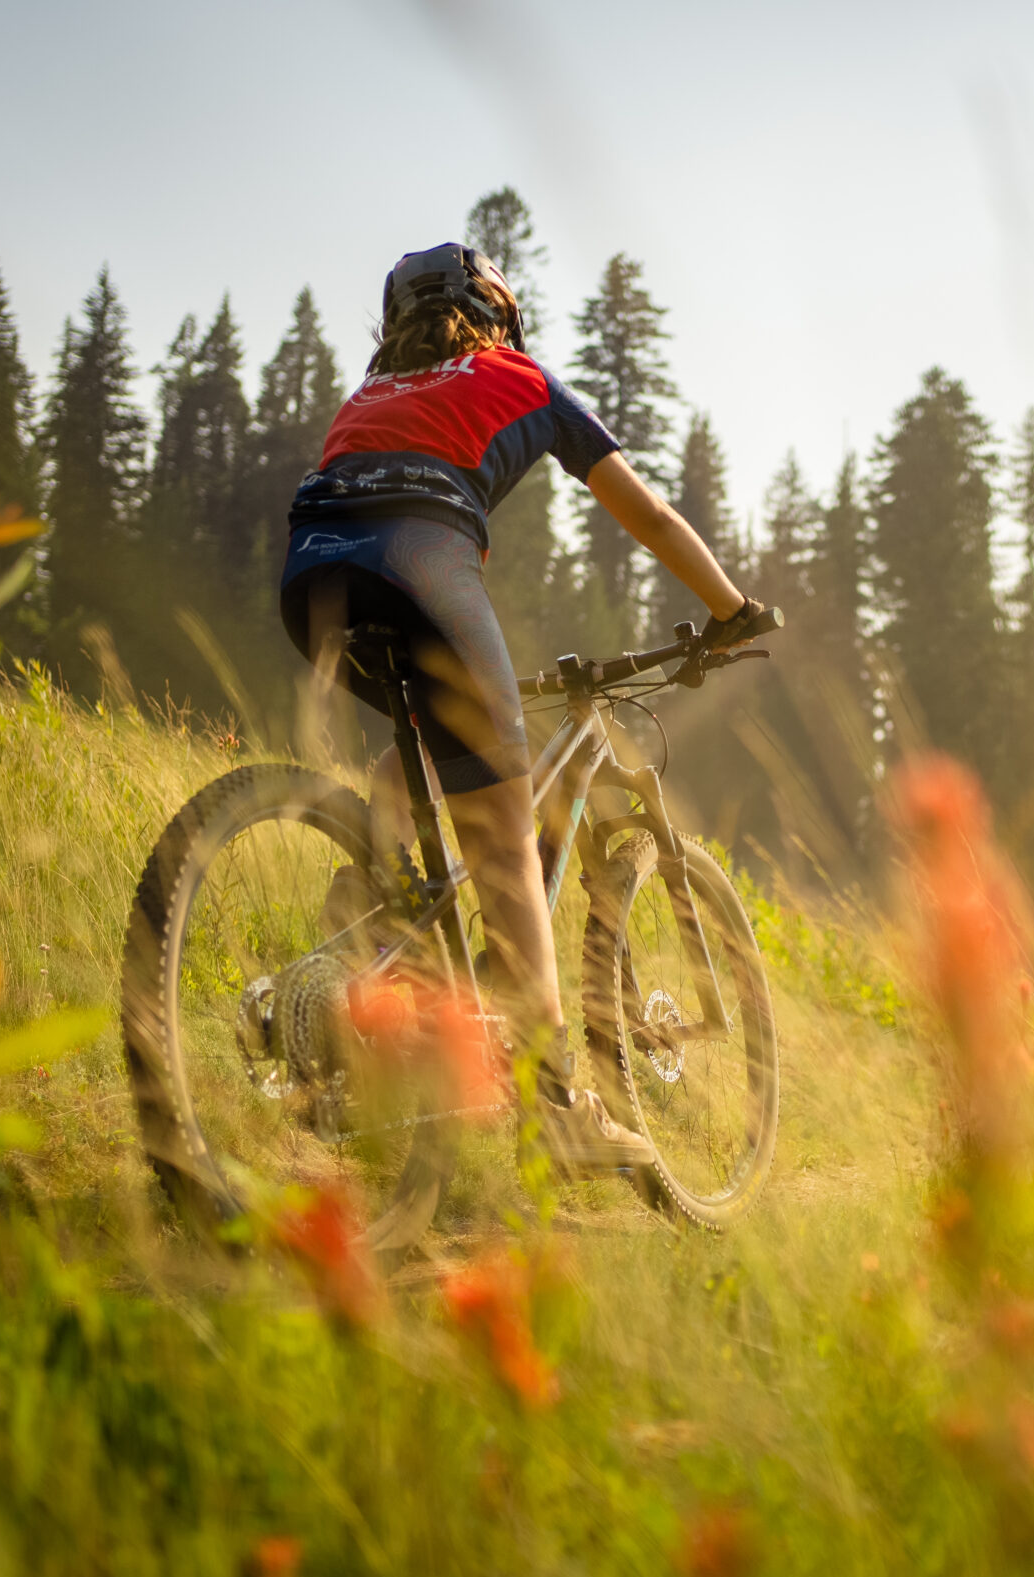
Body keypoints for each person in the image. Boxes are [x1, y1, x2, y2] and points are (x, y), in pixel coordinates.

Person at [280, 242, 767, 1167]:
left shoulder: (369, 394)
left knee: (415, 760)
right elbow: (650, 514)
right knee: (503, 835)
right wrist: (730, 609)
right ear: (497, 313)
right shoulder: (521, 377)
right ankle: (560, 1108)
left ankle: (367, 943)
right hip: (423, 568)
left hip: (311, 577)